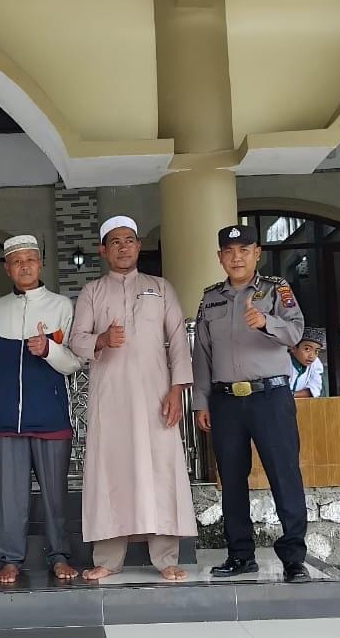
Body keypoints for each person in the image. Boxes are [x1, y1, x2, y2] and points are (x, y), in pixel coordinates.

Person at [0, 235, 82, 584]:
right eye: (17, 261)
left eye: (31, 260)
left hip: (51, 416)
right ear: (8, 268)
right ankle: (11, 560)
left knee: (56, 495)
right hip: (8, 418)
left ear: (41, 264)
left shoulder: (61, 307)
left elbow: (74, 362)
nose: (24, 266)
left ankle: (60, 556)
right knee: (10, 497)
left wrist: (49, 349)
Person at [69, 216, 197, 581]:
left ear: (139, 246)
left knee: (161, 470)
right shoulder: (92, 292)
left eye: (129, 240)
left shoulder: (161, 287)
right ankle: (107, 559)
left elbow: (177, 341)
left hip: (157, 397)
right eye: (115, 242)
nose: (123, 247)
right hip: (110, 400)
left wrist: (176, 389)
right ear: (102, 250)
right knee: (110, 470)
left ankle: (167, 557)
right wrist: (101, 339)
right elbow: (76, 341)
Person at [192, 224, 310, 584]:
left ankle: (293, 558)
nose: (236, 256)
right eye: (229, 251)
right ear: (220, 257)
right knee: (231, 478)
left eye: (244, 249)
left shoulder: (276, 289)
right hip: (226, 401)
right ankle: (240, 554)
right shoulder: (210, 298)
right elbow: (202, 355)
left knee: (283, 475)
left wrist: (266, 321)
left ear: (257, 252)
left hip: (270, 397)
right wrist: (201, 402)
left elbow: (295, 332)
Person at [289, 327, 325, 398]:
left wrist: (292, 395)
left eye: (316, 351)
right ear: (293, 348)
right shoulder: (282, 360)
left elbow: (315, 389)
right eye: (307, 349)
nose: (312, 355)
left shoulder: (316, 363)